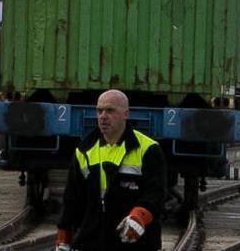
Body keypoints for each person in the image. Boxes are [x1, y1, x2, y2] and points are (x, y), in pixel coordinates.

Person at [55, 90, 166, 251]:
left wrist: (139, 216)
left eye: (110, 110)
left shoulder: (148, 149)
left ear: (125, 114)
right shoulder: (84, 152)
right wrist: (64, 237)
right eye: (99, 111)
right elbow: (72, 199)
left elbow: (157, 193)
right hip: (92, 241)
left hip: (135, 243)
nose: (103, 116)